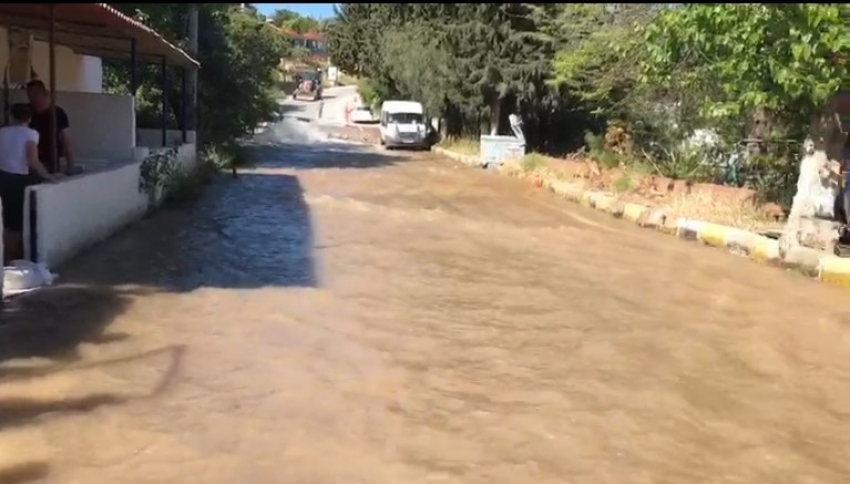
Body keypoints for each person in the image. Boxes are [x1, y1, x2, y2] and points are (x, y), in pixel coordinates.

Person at [0, 103, 58, 263]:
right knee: (14, 222)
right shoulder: (30, 134)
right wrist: (48, 176)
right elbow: (32, 160)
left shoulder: (2, 132)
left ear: (11, 116)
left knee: (2, 218)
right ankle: (8, 259)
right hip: (17, 180)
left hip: (2, 176)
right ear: (29, 118)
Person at [26, 79, 75, 174]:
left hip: (50, 159)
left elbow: (66, 140)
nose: (31, 98)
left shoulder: (58, 113)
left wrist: (71, 165)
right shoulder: (26, 111)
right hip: (28, 160)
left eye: (35, 94)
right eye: (29, 95)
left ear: (44, 93)